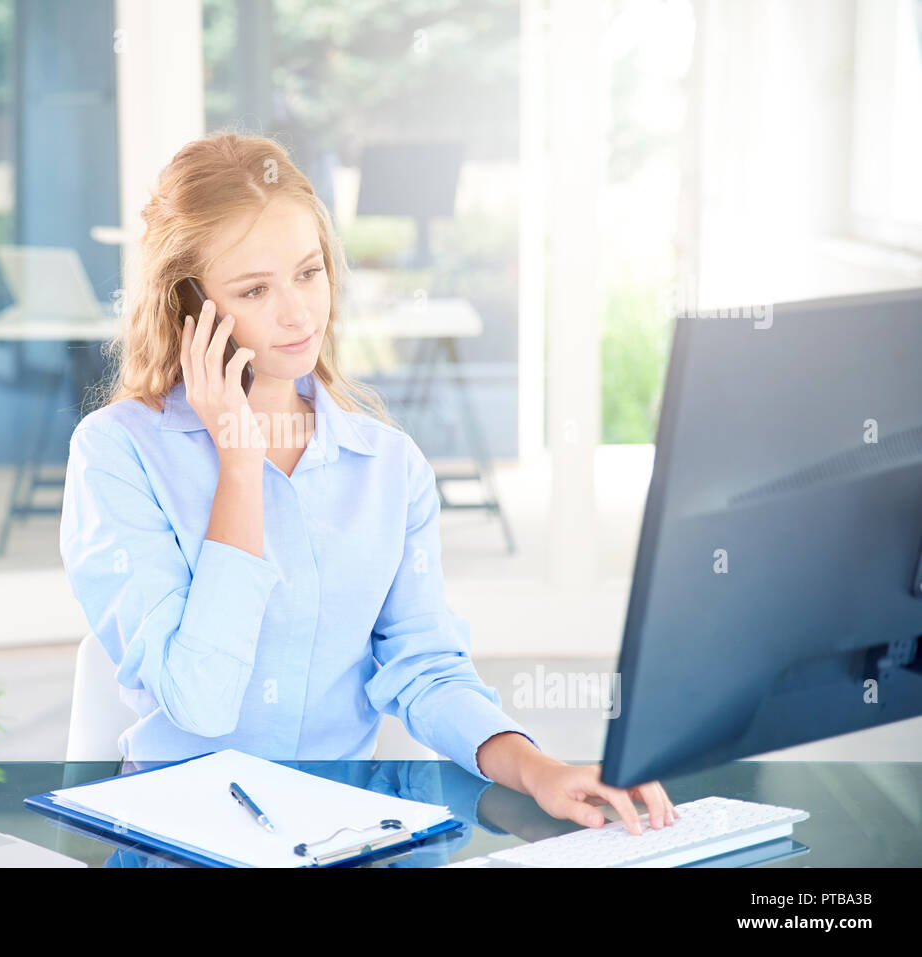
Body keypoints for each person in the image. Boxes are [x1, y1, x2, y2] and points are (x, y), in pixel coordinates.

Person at [60, 131, 677, 836]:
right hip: (178, 837)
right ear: (190, 307)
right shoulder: (116, 454)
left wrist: (541, 770)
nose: (297, 312)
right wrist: (238, 461)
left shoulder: (388, 467)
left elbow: (425, 668)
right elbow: (200, 699)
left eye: (309, 272)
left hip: (338, 836)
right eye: (255, 289)